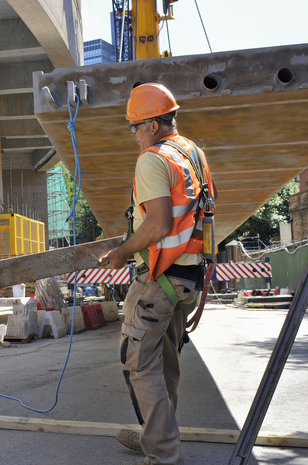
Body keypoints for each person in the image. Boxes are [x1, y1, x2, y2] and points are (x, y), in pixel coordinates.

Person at [99, 82, 215, 465]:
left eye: (134, 126)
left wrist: (122, 251)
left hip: (158, 281)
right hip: (187, 280)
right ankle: (157, 435)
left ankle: (163, 453)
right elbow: (202, 217)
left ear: (151, 125)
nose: (133, 133)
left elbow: (160, 224)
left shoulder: (153, 158)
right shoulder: (193, 154)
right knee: (165, 365)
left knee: (140, 365)